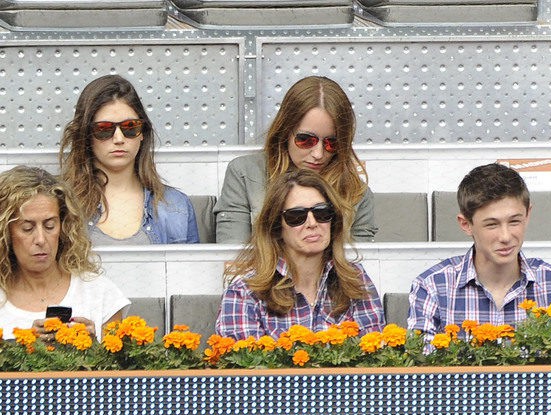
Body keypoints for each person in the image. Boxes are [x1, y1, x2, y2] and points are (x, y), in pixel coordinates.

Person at [408, 163, 551, 336]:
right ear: (466, 224)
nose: (505, 237)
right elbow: (421, 361)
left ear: (528, 215)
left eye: (514, 221)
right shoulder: (432, 287)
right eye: (492, 225)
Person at [215, 169, 384, 340]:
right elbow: (244, 363)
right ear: (276, 226)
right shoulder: (244, 292)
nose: (312, 223)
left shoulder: (356, 279)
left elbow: (374, 357)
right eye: (296, 216)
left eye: (322, 212)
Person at [215, 76, 378, 244]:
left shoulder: (357, 193)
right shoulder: (245, 173)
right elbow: (231, 255)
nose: (318, 154)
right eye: (306, 140)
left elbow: (359, 264)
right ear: (285, 131)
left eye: (332, 143)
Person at [59, 74, 198, 245]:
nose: (119, 138)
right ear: (86, 135)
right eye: (103, 129)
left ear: (142, 133)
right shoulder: (60, 203)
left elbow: (191, 271)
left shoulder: (176, 206)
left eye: (130, 127)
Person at [0, 166, 129, 340]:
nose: (40, 239)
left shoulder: (99, 293)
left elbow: (122, 366)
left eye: (50, 226)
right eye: (27, 228)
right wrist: (23, 345)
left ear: (64, 227)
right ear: (5, 232)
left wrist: (93, 347)